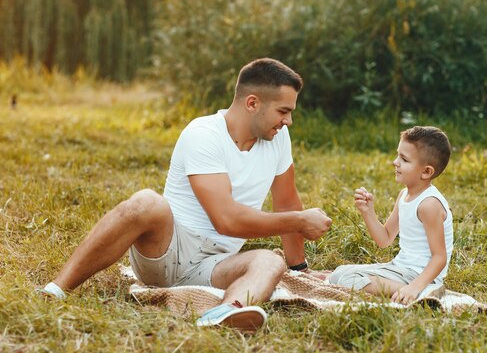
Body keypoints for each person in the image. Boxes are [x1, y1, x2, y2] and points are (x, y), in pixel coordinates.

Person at [40, 58, 332, 332]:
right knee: (147, 202)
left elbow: (286, 201)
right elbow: (226, 219)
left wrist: (299, 268)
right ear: (253, 103)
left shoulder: (278, 139)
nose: (288, 121)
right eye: (284, 111)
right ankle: (55, 290)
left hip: (215, 265)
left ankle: (225, 312)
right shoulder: (203, 134)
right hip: (167, 251)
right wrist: (298, 220)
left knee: (270, 261)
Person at [328, 126, 453, 305]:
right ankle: (407, 290)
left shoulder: (429, 204)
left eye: (404, 159)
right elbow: (385, 239)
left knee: (349, 279)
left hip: (421, 276)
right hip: (400, 269)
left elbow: (439, 257)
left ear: (426, 172)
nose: (395, 162)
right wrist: (368, 212)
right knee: (340, 273)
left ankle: (424, 292)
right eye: (397, 155)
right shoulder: (404, 195)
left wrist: (414, 286)